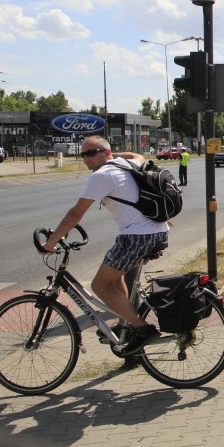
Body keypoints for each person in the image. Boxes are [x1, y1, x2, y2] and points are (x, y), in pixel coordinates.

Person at [41, 136, 168, 355]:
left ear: (105, 153)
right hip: (158, 231)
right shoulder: (126, 163)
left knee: (99, 286)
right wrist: (110, 155)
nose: (86, 159)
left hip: (137, 237)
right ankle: (124, 324)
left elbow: (75, 214)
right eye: (83, 154)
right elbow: (137, 156)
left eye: (92, 153)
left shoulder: (102, 175)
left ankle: (142, 328)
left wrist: (51, 243)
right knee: (115, 276)